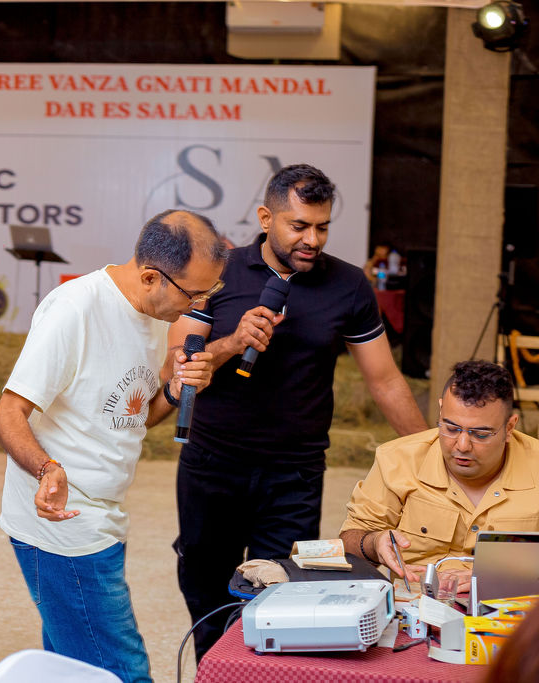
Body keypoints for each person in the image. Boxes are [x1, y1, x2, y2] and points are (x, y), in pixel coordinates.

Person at [168, 163, 429, 662]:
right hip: (212, 465)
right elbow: (178, 365)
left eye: (323, 227)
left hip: (295, 473)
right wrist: (232, 341)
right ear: (266, 218)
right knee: (206, 591)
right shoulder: (216, 272)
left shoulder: (348, 285)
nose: (313, 239)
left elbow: (385, 380)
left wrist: (429, 454)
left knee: (283, 600)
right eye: (299, 226)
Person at [0, 210, 228, 682]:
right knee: (123, 671)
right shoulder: (75, 309)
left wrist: (174, 390)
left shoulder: (153, 312)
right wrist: (47, 468)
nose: (200, 306)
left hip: (105, 513)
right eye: (194, 294)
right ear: (151, 276)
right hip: (63, 523)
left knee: (72, 667)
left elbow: (133, 416)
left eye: (210, 293)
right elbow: (6, 415)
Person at [341, 360, 539, 592]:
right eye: (451, 428)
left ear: (509, 428)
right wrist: (374, 543)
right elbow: (348, 543)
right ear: (441, 410)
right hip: (415, 606)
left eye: (480, 434)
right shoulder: (397, 460)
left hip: (512, 604)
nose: (462, 445)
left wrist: (496, 575)